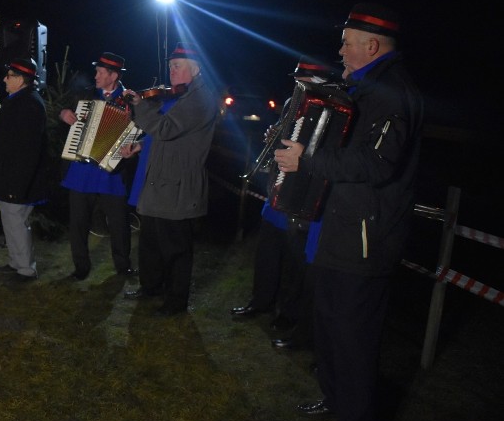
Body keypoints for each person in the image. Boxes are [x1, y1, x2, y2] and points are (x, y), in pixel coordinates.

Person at [275, 3, 424, 421]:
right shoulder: (362, 89)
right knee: (329, 327)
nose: (339, 50)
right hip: (337, 229)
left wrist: (309, 161)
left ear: (372, 46)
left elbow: (378, 164)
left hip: (364, 240)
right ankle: (336, 401)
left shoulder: (391, 92)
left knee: (354, 340)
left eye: (346, 42)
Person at [231, 57, 343, 351]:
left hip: (301, 198)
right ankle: (260, 301)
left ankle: (288, 314)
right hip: (278, 193)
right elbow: (286, 138)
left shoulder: (328, 109)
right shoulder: (294, 103)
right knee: (267, 254)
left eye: (302, 81)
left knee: (295, 264)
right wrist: (275, 135)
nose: (298, 86)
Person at [120, 42, 217, 316]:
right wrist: (140, 145)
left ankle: (176, 301)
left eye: (177, 67)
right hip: (161, 182)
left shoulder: (199, 99)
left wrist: (140, 106)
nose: (171, 72)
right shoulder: (183, 97)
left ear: (195, 70)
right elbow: (165, 136)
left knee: (176, 247)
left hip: (178, 186)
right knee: (151, 242)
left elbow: (165, 128)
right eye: (170, 67)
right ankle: (151, 287)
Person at [58, 52, 137, 280]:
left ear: (113, 76)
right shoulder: (86, 95)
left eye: (101, 72)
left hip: (112, 173)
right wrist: (64, 114)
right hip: (81, 170)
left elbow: (141, 130)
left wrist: (133, 147)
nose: (96, 76)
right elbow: (62, 111)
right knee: (78, 223)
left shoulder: (131, 99)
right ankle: (81, 267)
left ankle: (123, 267)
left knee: (119, 223)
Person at [0, 58, 48, 281]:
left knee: (17, 222)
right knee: (11, 220)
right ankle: (17, 263)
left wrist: (18, 183)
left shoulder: (29, 104)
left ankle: (26, 269)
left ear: (21, 79)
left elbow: (28, 149)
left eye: (10, 76)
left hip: (18, 180)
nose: (5, 79)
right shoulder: (18, 100)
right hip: (9, 178)